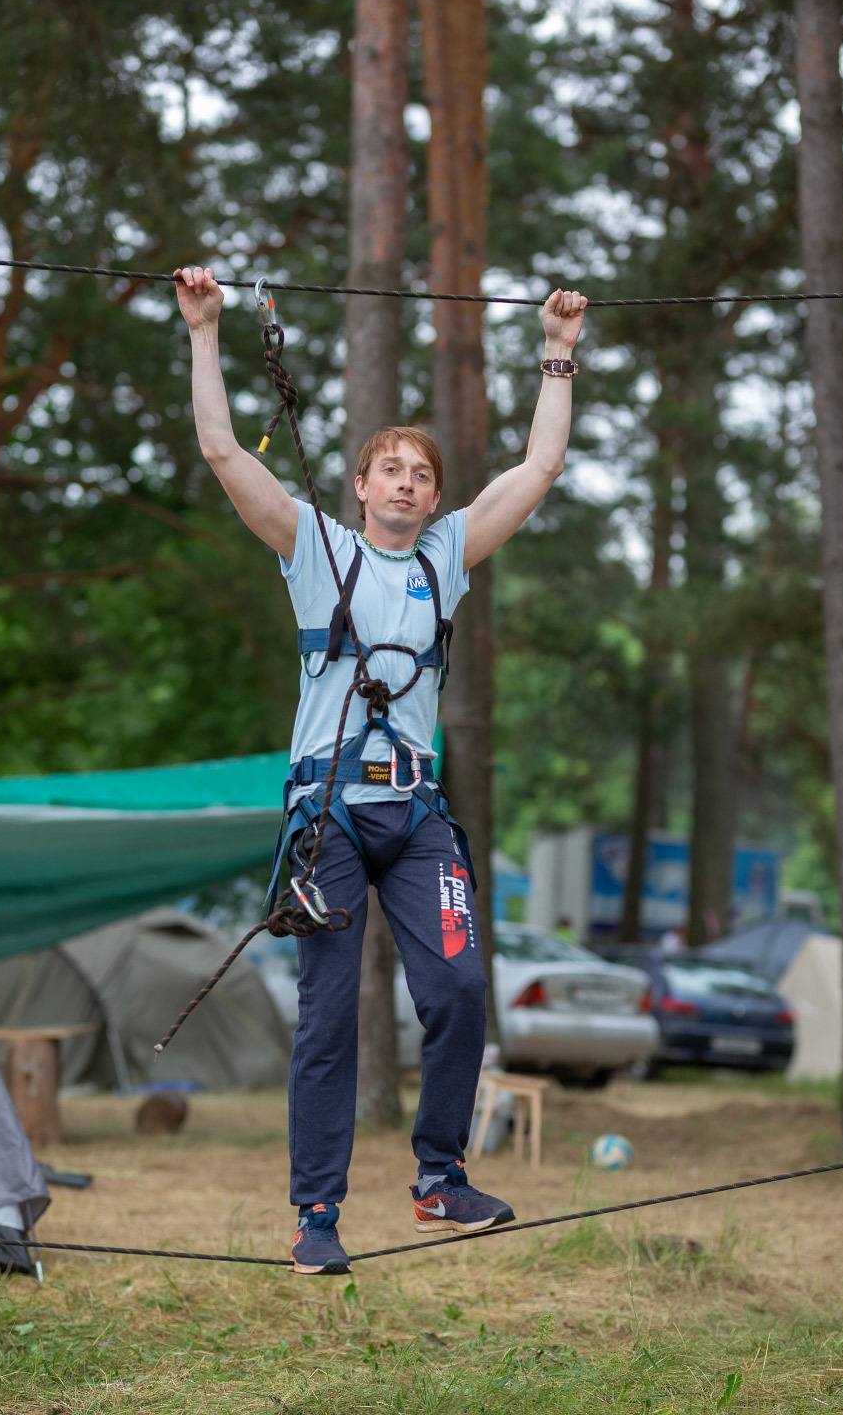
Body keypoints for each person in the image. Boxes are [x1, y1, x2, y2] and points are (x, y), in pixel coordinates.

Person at [175, 266, 587, 1275]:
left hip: (415, 815)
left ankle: (438, 1180)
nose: (405, 482)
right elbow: (224, 448)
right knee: (329, 1021)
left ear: (435, 498)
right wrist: (203, 330)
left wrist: (559, 350)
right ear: (360, 486)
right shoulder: (313, 545)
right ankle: (317, 1216)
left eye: (421, 473)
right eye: (389, 470)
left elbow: (537, 469)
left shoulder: (447, 556)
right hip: (327, 814)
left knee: (456, 988)